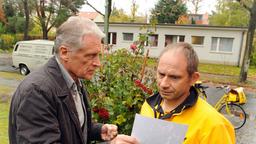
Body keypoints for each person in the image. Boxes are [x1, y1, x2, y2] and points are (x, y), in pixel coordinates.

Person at [9, 16, 139, 144]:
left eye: (98, 55)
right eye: (91, 55)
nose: (98, 63)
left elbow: (71, 126)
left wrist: (97, 131)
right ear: (64, 52)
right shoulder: (37, 92)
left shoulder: (74, 81)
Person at [140, 42, 235, 144]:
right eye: (161, 74)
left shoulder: (214, 125)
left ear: (193, 78)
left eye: (174, 77)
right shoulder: (148, 106)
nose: (163, 84)